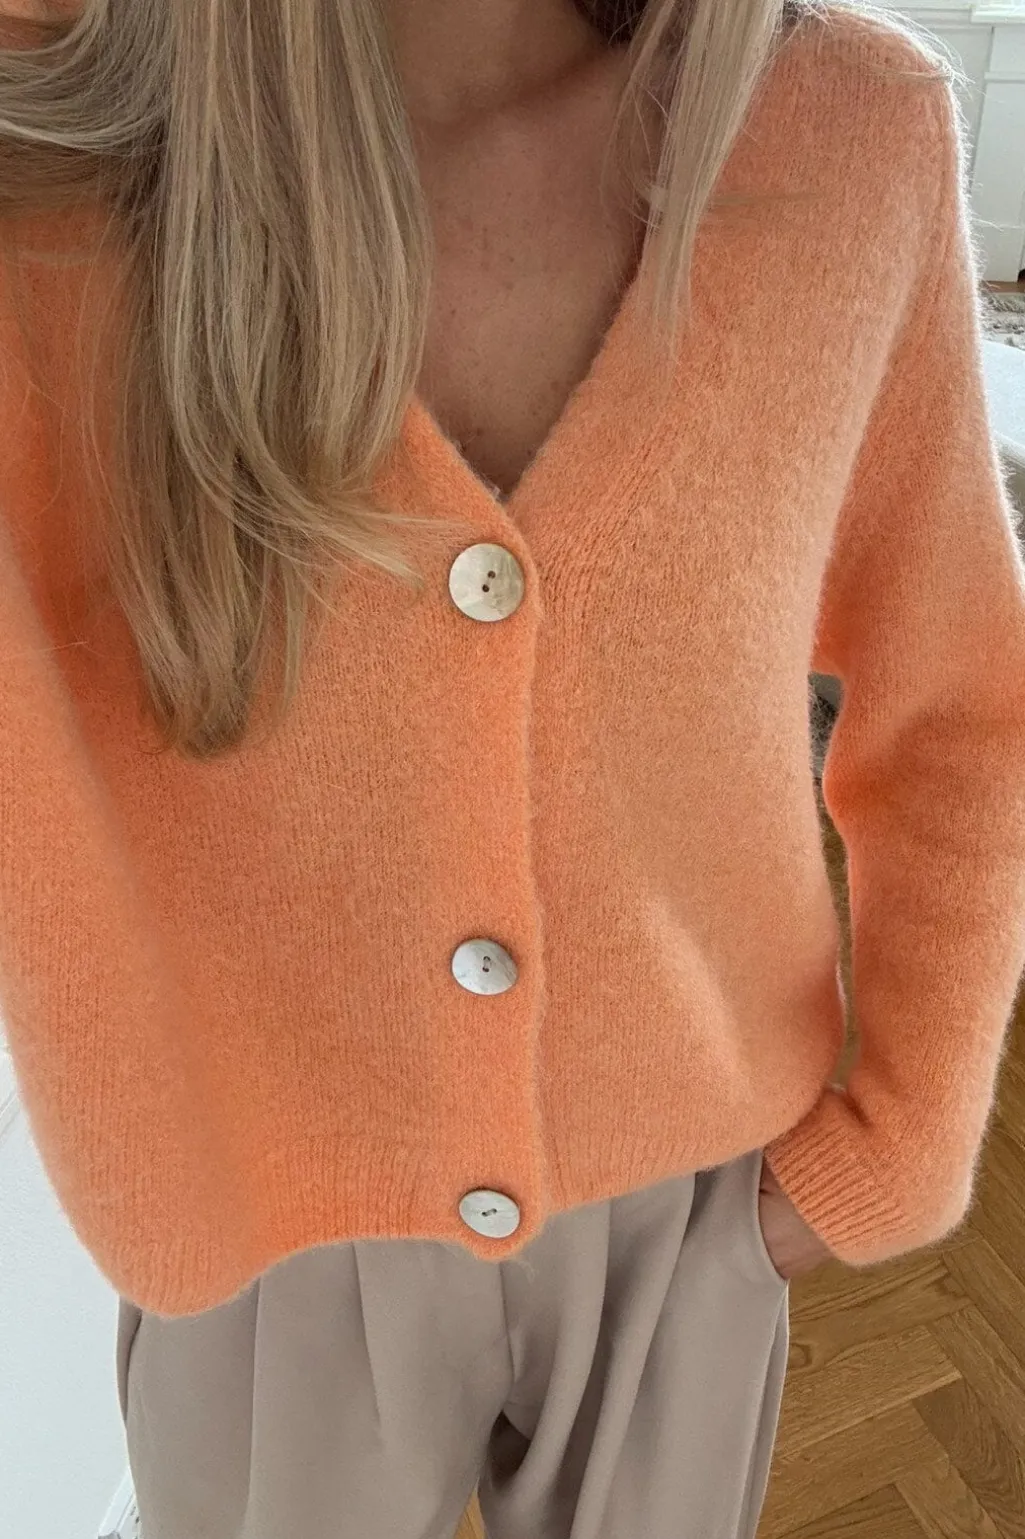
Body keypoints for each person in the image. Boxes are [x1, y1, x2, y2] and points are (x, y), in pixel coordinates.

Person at [1, 0, 1024, 1535]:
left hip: (690, 1200)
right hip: (257, 1216)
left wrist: (906, 1132)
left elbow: (959, 703)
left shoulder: (848, 138)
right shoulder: (61, 168)